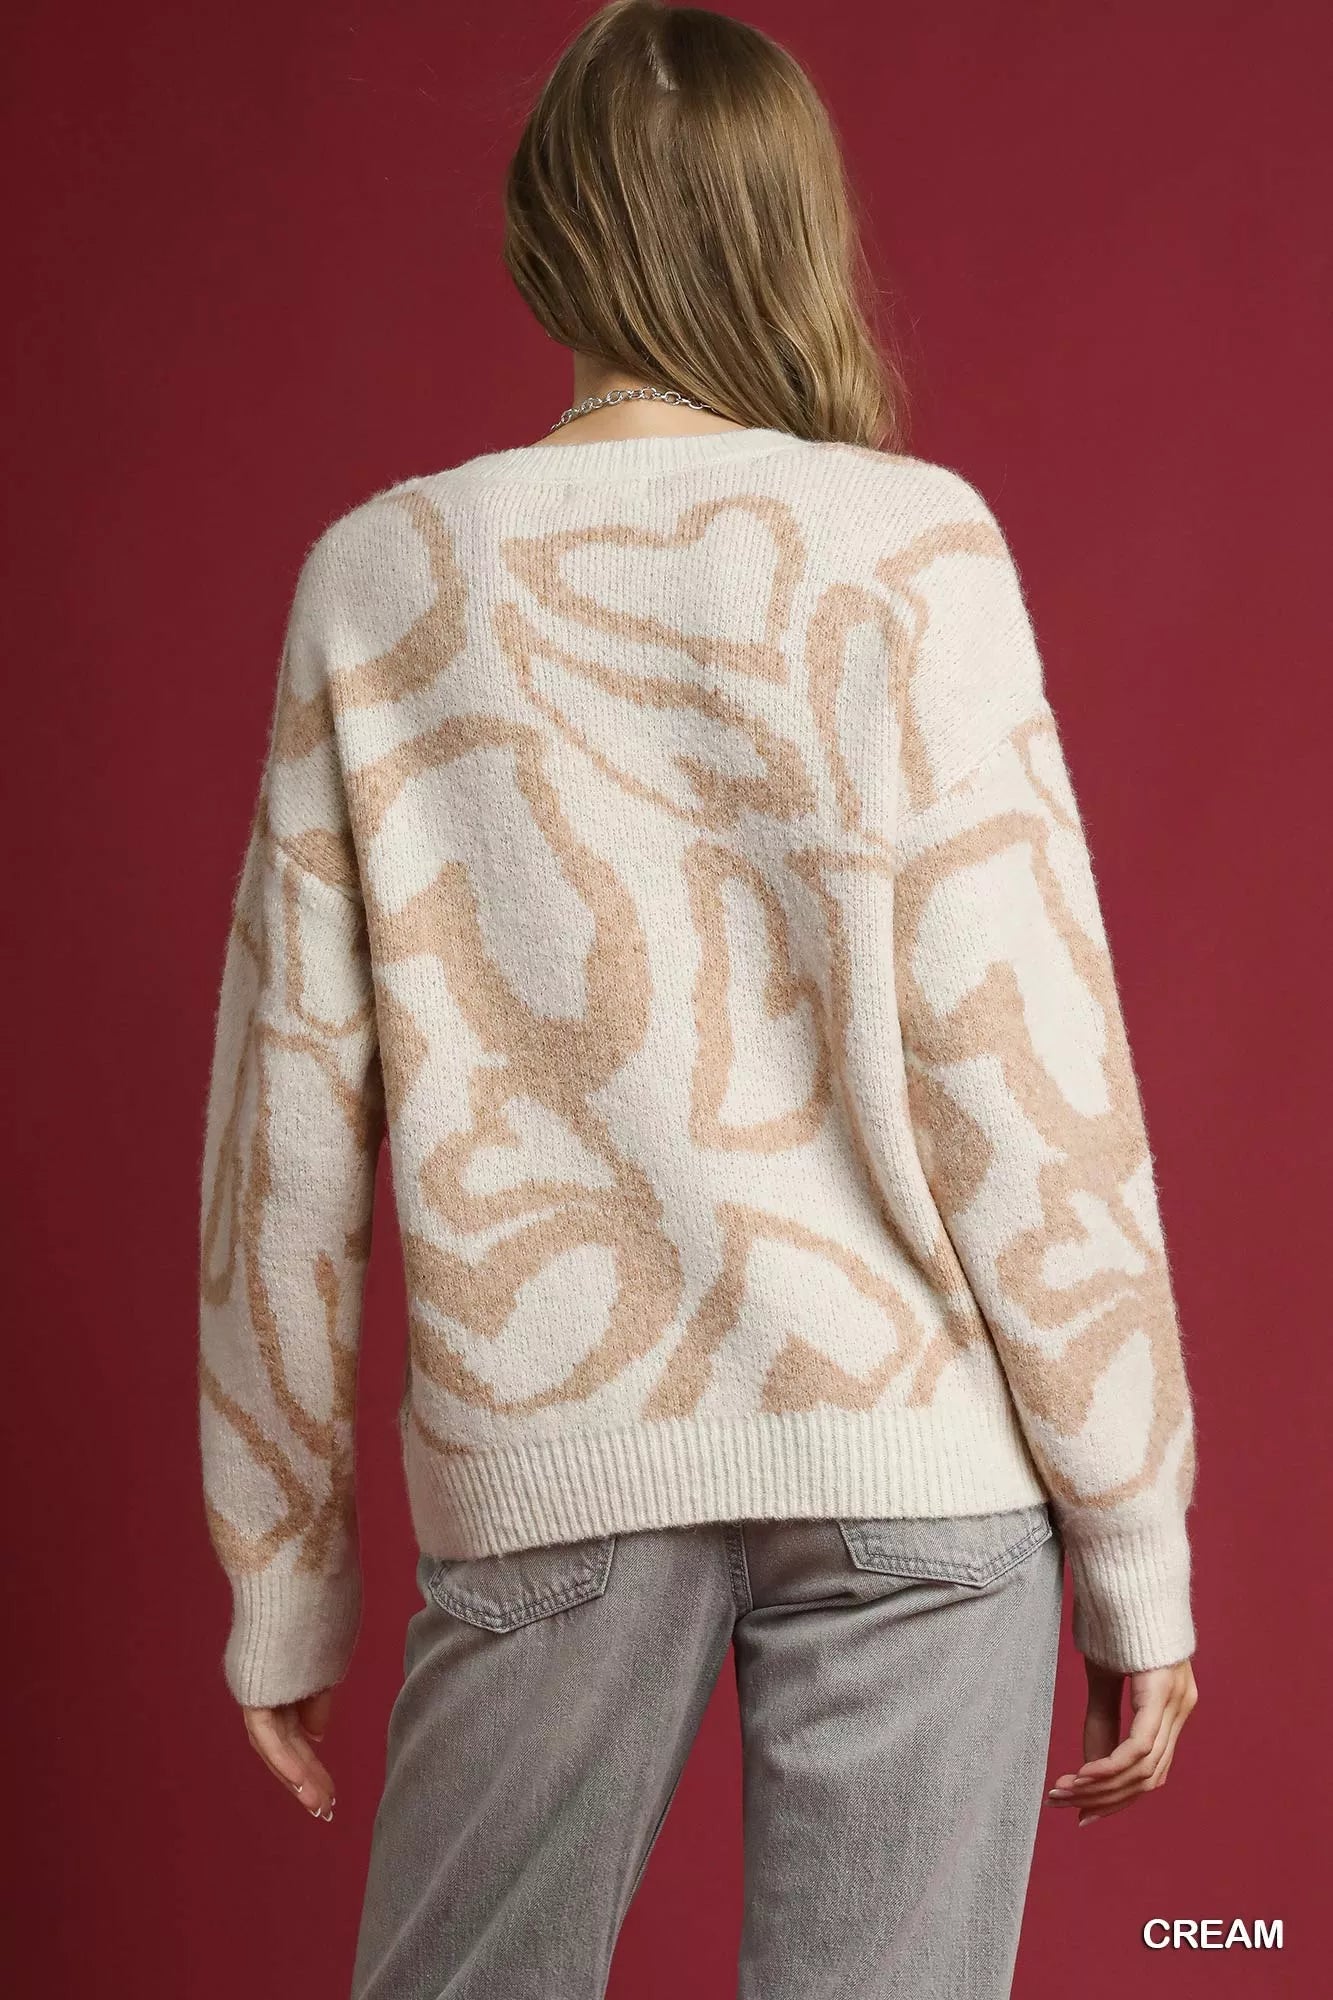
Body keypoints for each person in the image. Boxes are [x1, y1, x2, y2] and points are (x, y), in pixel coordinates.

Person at [196, 3, 1201, 1994]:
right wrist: (1133, 1540)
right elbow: (1033, 1074)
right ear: (795, 234)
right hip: (918, 1469)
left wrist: (284, 1576)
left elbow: (284, 1130)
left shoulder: (381, 576)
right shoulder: (911, 548)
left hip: (552, 1456)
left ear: (545, 233)